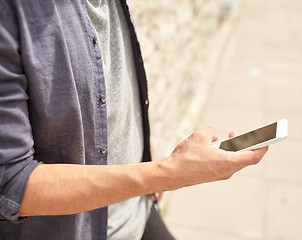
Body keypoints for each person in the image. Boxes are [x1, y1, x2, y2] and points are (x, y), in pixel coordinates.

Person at [0, 0, 268, 239]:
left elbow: (108, 84)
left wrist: (142, 148)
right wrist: (167, 174)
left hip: (137, 210)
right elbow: (11, 183)